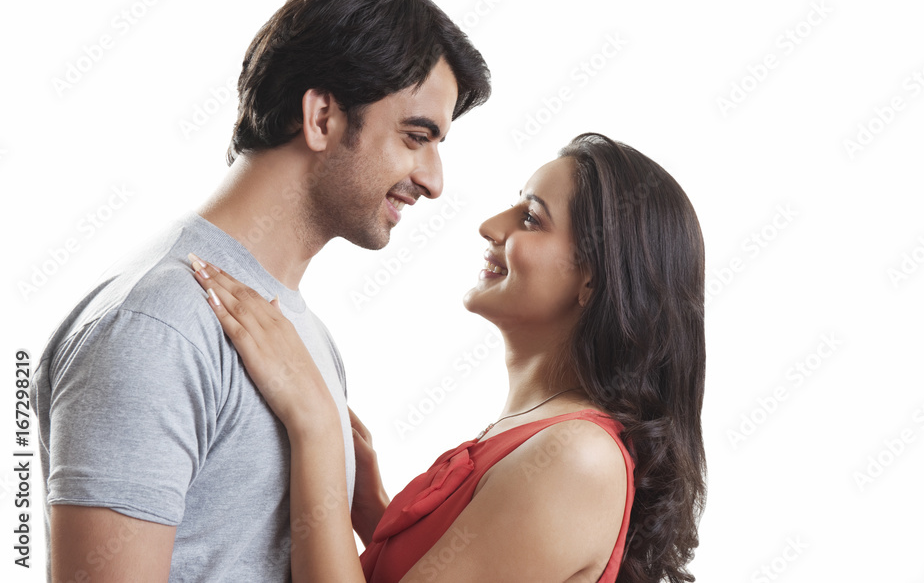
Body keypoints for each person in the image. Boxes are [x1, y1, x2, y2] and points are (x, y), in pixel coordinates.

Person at [29, 0, 490, 581]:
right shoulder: (161, 328)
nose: (433, 181)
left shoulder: (303, 337)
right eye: (415, 137)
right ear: (323, 117)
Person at [191, 133, 707, 582]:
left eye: (530, 218)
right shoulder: (543, 433)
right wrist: (373, 508)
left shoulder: (578, 458)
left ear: (591, 279)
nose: (490, 226)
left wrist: (316, 426)